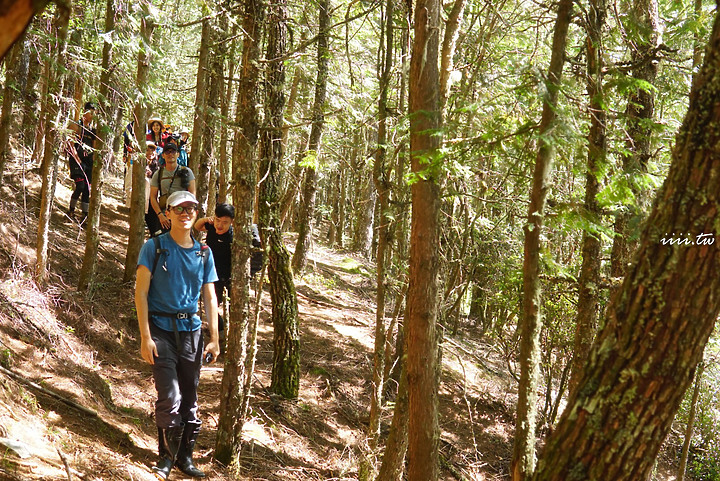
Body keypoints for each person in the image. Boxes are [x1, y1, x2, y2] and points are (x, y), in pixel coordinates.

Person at [135, 190, 220, 480]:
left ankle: (185, 456)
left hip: (192, 332)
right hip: (160, 330)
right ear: (167, 213)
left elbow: (210, 298)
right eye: (179, 209)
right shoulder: (154, 247)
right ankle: (166, 457)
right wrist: (145, 336)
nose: (185, 213)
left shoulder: (203, 253)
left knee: (190, 396)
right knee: (169, 395)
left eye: (191, 209)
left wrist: (215, 337)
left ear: (196, 214)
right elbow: (141, 293)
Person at [195, 205, 263, 335]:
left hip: (232, 276)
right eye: (217, 220)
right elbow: (197, 226)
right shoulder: (212, 227)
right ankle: (219, 328)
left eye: (224, 222)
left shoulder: (235, 235)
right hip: (213, 274)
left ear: (232, 222)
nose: (220, 225)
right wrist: (206, 219)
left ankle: (235, 334)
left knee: (236, 306)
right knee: (212, 304)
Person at [149, 142, 196, 235]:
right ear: (163, 155)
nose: (170, 154)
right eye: (167, 152)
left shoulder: (187, 172)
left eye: (173, 152)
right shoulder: (158, 174)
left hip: (182, 215)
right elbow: (152, 197)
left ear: (178, 154)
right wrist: (160, 215)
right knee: (162, 245)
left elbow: (192, 195)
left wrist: (187, 215)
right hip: (165, 216)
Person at [67, 102, 97, 224]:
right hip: (76, 160)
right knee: (80, 185)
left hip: (88, 162)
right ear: (85, 111)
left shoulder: (93, 130)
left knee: (87, 189)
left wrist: (93, 162)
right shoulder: (76, 125)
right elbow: (70, 143)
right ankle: (71, 211)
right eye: (91, 112)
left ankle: (85, 216)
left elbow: (94, 148)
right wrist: (76, 157)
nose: (92, 115)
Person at [144, 143, 162, 237]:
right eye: (147, 150)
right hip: (141, 201)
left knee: (154, 228)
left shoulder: (158, 168)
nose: (150, 153)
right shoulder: (138, 165)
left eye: (152, 150)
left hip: (153, 201)